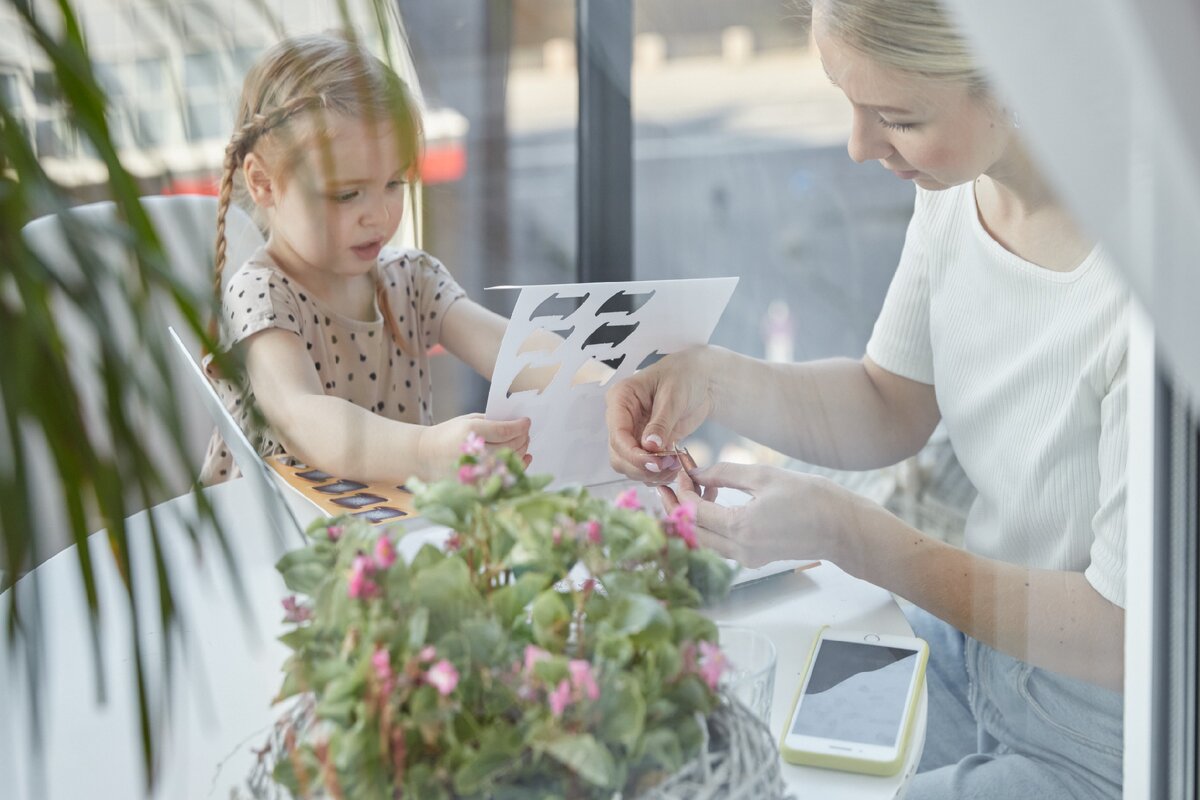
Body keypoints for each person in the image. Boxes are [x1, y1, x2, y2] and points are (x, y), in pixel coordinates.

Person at [606, 1, 1127, 797]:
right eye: (850, 105)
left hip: (1104, 736)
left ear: (1018, 79)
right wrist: (710, 377)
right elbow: (890, 402)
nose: (858, 146)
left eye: (895, 118)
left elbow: (1121, 633)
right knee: (707, 753)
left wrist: (849, 533)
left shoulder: (1150, 290)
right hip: (975, 653)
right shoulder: (960, 188)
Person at [200, 32, 531, 485]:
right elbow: (302, 418)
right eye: (347, 193)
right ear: (263, 183)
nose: (378, 214)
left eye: (394, 183)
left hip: (380, 535)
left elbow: (516, 352)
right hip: (273, 538)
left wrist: (611, 391)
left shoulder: (411, 280)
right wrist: (425, 449)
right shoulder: (259, 295)